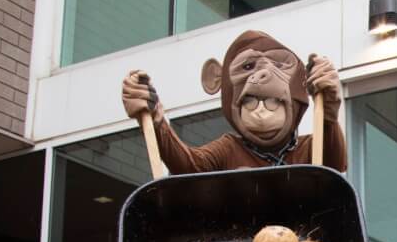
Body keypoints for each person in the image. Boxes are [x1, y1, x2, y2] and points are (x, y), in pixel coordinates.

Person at [120, 29, 345, 173]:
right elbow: (189, 166)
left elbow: (334, 164)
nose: (262, 112)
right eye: (252, 103)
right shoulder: (228, 150)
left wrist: (328, 115)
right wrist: (156, 120)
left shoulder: (308, 150)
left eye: (272, 103)